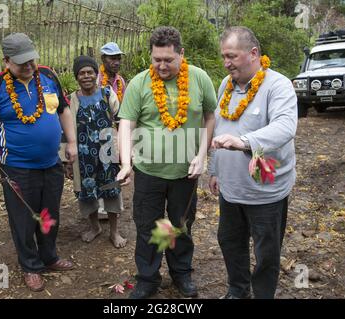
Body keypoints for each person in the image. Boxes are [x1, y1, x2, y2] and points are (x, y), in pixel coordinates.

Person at [117, 26, 217, 299]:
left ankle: (181, 273)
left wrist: (202, 154)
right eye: (156, 59)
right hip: (148, 171)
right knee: (148, 226)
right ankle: (147, 279)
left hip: (186, 173)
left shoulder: (199, 79)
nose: (161, 65)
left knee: (180, 225)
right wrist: (126, 163)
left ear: (181, 54)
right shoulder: (139, 83)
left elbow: (210, 117)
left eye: (168, 60)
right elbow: (126, 124)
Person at [0, 33, 77, 292]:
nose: (29, 66)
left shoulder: (48, 76)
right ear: (6, 61)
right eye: (21, 62)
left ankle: (49, 256)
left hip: (51, 164)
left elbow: (64, 110)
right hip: (17, 168)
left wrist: (72, 142)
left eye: (31, 59)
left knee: (49, 214)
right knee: (23, 220)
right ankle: (30, 265)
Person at [208, 26, 298, 299]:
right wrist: (214, 168)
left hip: (266, 193)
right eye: (224, 56)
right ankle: (238, 290)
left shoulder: (277, 85)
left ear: (254, 53)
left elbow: (285, 127)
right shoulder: (226, 85)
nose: (226, 63)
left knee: (266, 252)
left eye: (232, 56)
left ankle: (262, 294)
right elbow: (219, 127)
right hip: (231, 189)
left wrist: (244, 142)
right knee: (229, 241)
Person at [61, 55, 126, 248]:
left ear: (96, 75)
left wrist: (123, 151)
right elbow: (65, 130)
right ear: (76, 77)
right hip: (83, 155)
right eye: (82, 73)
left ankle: (114, 232)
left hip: (107, 152)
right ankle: (95, 226)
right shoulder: (72, 99)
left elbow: (121, 120)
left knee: (111, 189)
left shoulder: (107, 94)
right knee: (86, 191)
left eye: (90, 72)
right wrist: (66, 160)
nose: (86, 76)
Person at [97, 42, 127, 220]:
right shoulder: (95, 79)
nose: (115, 62)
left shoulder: (120, 81)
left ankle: (114, 206)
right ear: (103, 59)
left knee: (114, 168)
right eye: (111, 58)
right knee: (100, 168)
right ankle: (100, 209)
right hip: (99, 130)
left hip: (116, 130)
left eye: (118, 58)